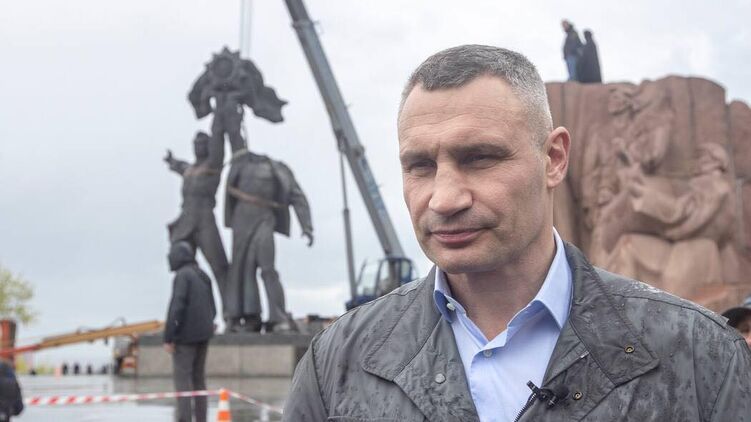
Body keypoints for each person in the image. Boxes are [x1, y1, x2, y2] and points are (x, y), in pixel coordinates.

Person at [284, 45, 751, 421]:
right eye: (420, 165)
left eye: (480, 158)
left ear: (554, 159)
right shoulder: (335, 362)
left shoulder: (700, 353)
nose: (444, 198)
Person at [224, 149, 313, 333]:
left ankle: (278, 317)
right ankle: (250, 318)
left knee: (268, 269)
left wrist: (306, 226)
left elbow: (297, 197)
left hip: (265, 219)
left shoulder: (278, 169)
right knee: (243, 270)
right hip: (241, 221)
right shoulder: (240, 165)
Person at [164, 132, 229, 313]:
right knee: (181, 268)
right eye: (195, 144)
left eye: (202, 144)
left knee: (220, 268)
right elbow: (180, 166)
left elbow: (219, 147)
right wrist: (171, 161)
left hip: (204, 220)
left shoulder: (213, 165)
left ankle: (229, 313)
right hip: (185, 222)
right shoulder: (190, 169)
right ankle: (187, 313)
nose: (198, 147)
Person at [163, 241, 216, 422]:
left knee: (183, 380)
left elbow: (176, 306)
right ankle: (201, 418)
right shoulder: (203, 275)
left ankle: (184, 419)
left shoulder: (182, 276)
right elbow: (213, 308)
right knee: (199, 379)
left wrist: (169, 337)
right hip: (204, 336)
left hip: (185, 338)